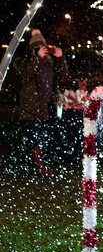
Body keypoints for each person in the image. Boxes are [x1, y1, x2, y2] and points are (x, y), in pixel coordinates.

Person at [14, 29, 68, 174]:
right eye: (38, 47)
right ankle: (39, 168)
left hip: (47, 105)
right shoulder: (25, 61)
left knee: (43, 137)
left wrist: (60, 58)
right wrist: (37, 58)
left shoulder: (49, 63)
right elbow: (26, 74)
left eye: (43, 46)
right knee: (34, 138)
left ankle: (41, 165)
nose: (42, 50)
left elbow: (63, 77)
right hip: (31, 107)